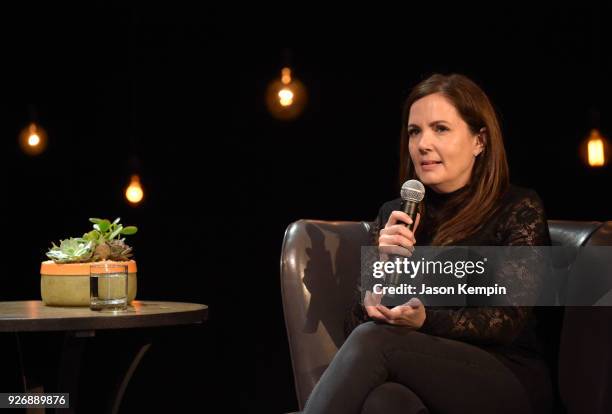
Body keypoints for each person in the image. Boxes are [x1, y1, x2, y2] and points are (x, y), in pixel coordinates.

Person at [302, 73, 554, 414]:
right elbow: (356, 326)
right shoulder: (397, 214)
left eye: (440, 129)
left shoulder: (518, 208)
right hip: (416, 368)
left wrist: (424, 320)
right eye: (414, 131)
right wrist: (383, 268)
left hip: (505, 374)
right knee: (385, 402)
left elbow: (506, 320)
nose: (422, 144)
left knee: (375, 341)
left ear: (480, 141)